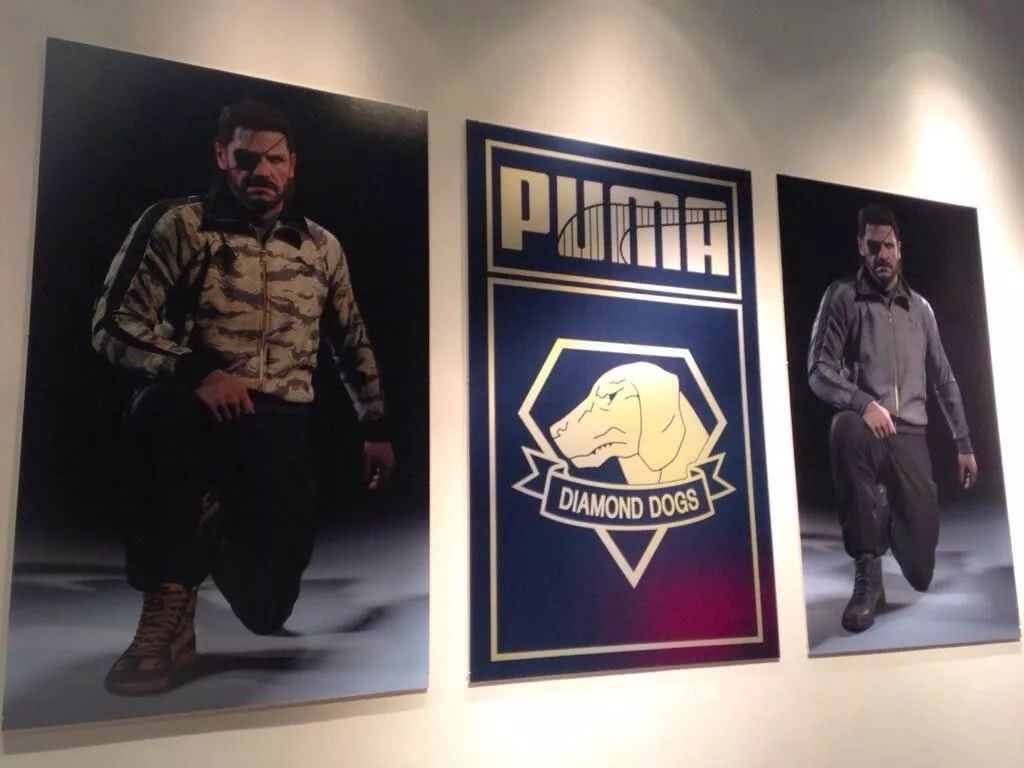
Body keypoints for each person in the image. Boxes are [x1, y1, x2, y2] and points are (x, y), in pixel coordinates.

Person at [91, 100, 395, 694]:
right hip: (195, 410)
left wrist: (375, 425)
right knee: (158, 415)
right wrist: (196, 372)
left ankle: (213, 532)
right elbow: (113, 324)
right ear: (221, 156)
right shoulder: (179, 224)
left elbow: (349, 339)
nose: (262, 171)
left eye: (275, 160)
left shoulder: (320, 247)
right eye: (247, 157)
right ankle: (168, 607)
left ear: (292, 165)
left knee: (267, 608)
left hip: (277, 427)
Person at [806, 203, 978, 633]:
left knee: (921, 573)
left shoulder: (920, 310)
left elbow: (944, 378)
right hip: (867, 429)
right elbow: (819, 370)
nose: (881, 255)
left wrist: (963, 443)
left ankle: (884, 514)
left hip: (911, 437)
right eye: (872, 246)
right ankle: (868, 571)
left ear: (900, 248)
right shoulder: (843, 297)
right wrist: (863, 402)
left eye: (888, 246)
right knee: (844, 427)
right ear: (860, 246)